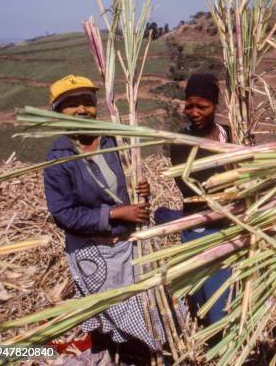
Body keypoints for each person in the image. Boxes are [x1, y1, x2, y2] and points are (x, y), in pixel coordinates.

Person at [43, 75, 164, 364]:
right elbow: (64, 214)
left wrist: (143, 190)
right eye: (71, 104)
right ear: (58, 111)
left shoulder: (116, 140)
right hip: (93, 252)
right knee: (107, 316)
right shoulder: (58, 157)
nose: (82, 110)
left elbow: (133, 185)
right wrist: (113, 213)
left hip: (128, 246)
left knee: (140, 311)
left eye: (87, 102)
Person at [155, 73, 231, 326]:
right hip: (202, 229)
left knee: (230, 298)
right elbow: (195, 192)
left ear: (215, 106)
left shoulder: (229, 134)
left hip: (233, 227)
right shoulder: (181, 144)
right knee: (211, 304)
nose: (194, 112)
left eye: (202, 106)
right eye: (189, 106)